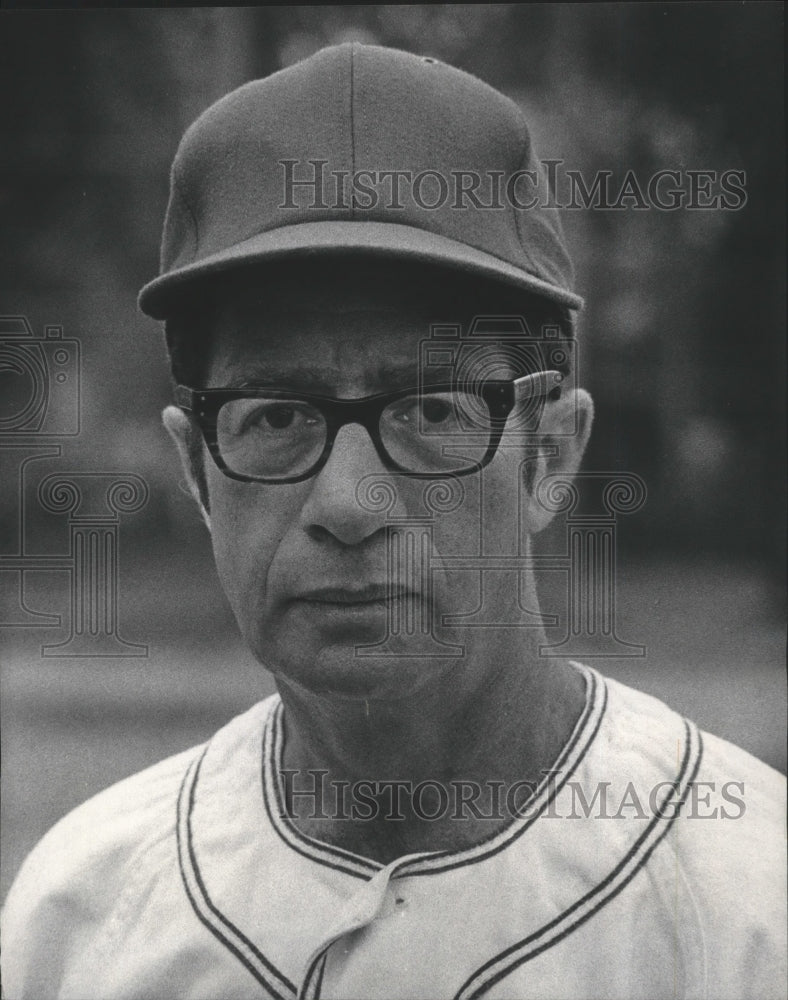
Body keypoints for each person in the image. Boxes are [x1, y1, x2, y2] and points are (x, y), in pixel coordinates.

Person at [2, 42, 785, 1000]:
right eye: (278, 417)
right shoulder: (79, 918)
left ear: (551, 458)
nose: (346, 505)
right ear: (198, 471)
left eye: (428, 412)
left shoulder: (752, 908)